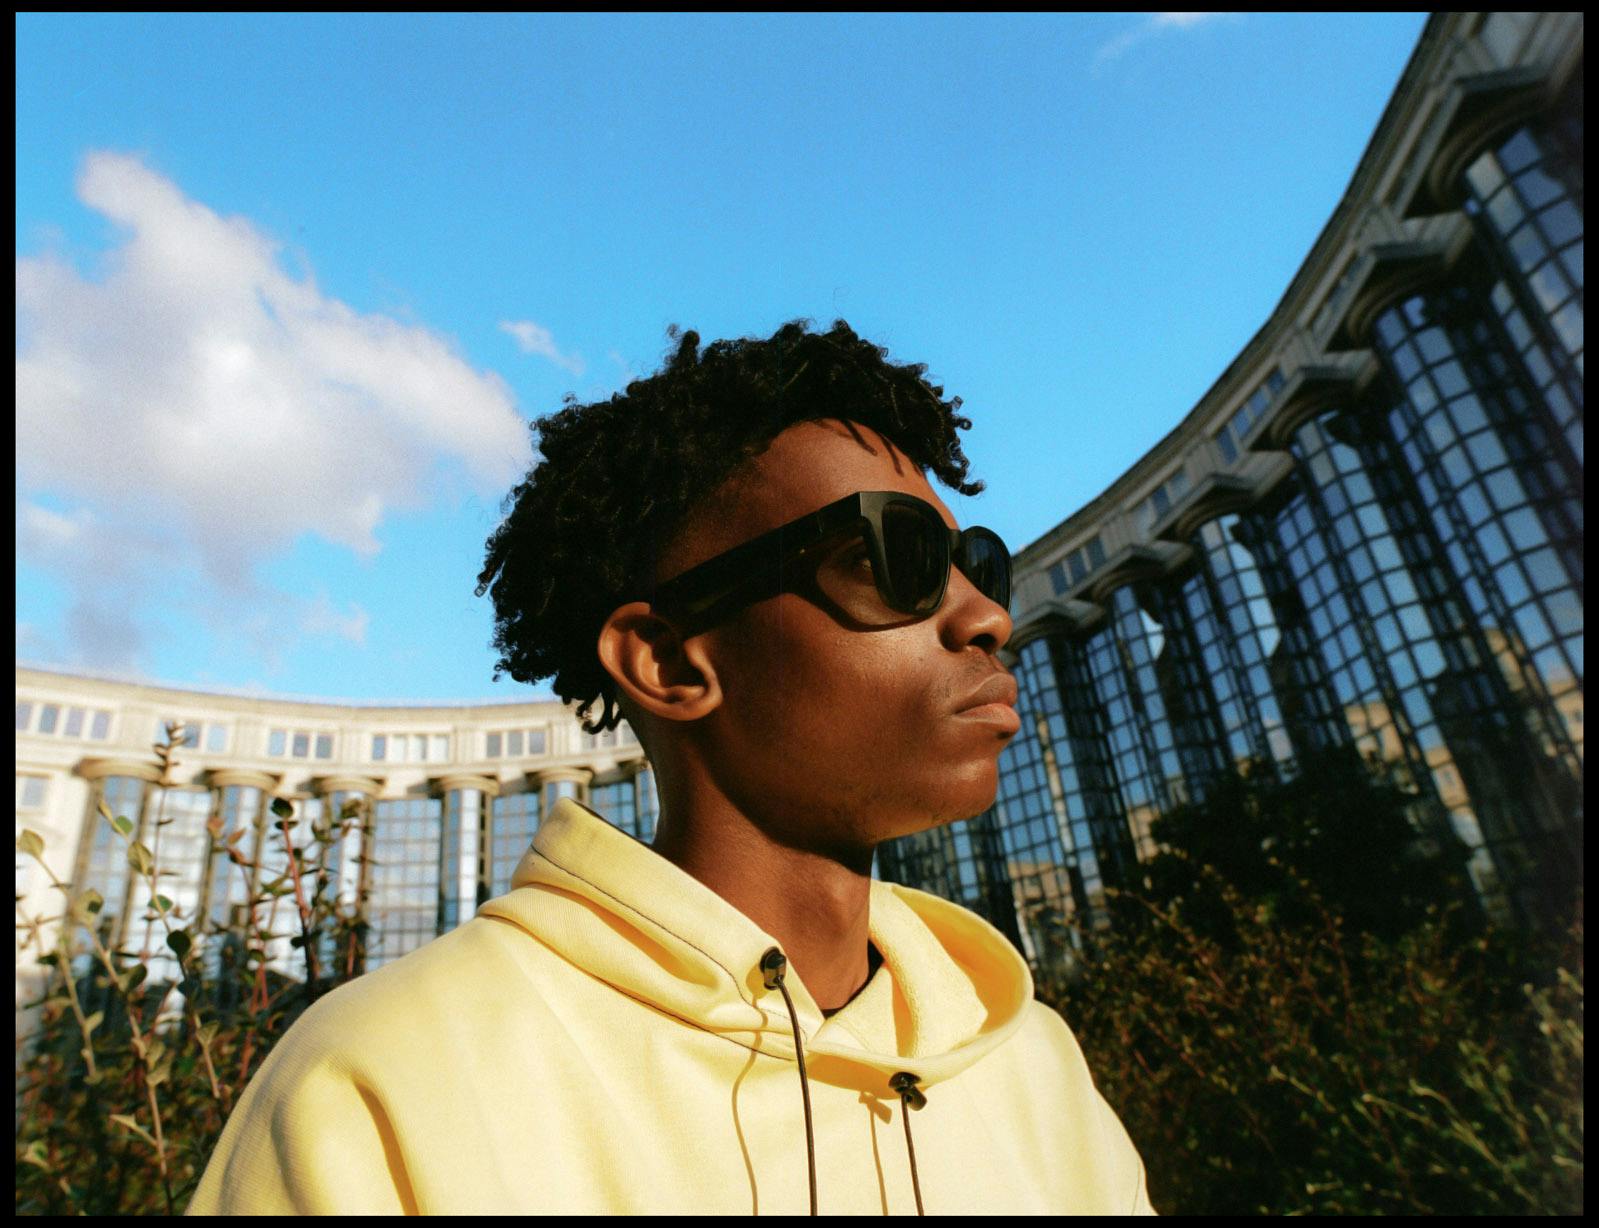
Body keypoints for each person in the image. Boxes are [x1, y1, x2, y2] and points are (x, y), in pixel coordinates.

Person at [184, 318, 1156, 1215]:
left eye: (976, 563)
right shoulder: (382, 1085)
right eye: (890, 557)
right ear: (668, 663)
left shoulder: (1030, 1063)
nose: (986, 615)